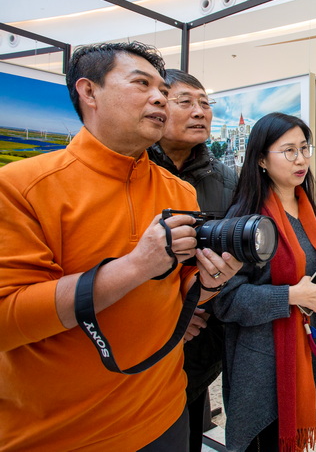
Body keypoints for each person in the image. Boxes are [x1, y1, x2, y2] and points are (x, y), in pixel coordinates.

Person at [0, 42, 242, 451]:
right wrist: (135, 266)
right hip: (59, 433)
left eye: (162, 90)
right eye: (141, 84)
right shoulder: (21, 187)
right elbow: (7, 318)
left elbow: (179, 290)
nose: (159, 98)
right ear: (89, 92)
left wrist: (209, 282)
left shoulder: (179, 191)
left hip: (164, 413)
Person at [214, 112, 316, 452]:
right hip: (262, 366)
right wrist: (289, 296)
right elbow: (225, 300)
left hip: (306, 348)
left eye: (304, 148)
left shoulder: (307, 207)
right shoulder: (245, 220)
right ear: (261, 160)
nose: (301, 159)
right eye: (289, 151)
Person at [148, 69, 238, 452]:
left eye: (205, 103)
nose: (199, 111)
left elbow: (240, 261)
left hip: (201, 345)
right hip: (137, 344)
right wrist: (170, 316)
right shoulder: (133, 171)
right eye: (185, 102)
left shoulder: (229, 182)